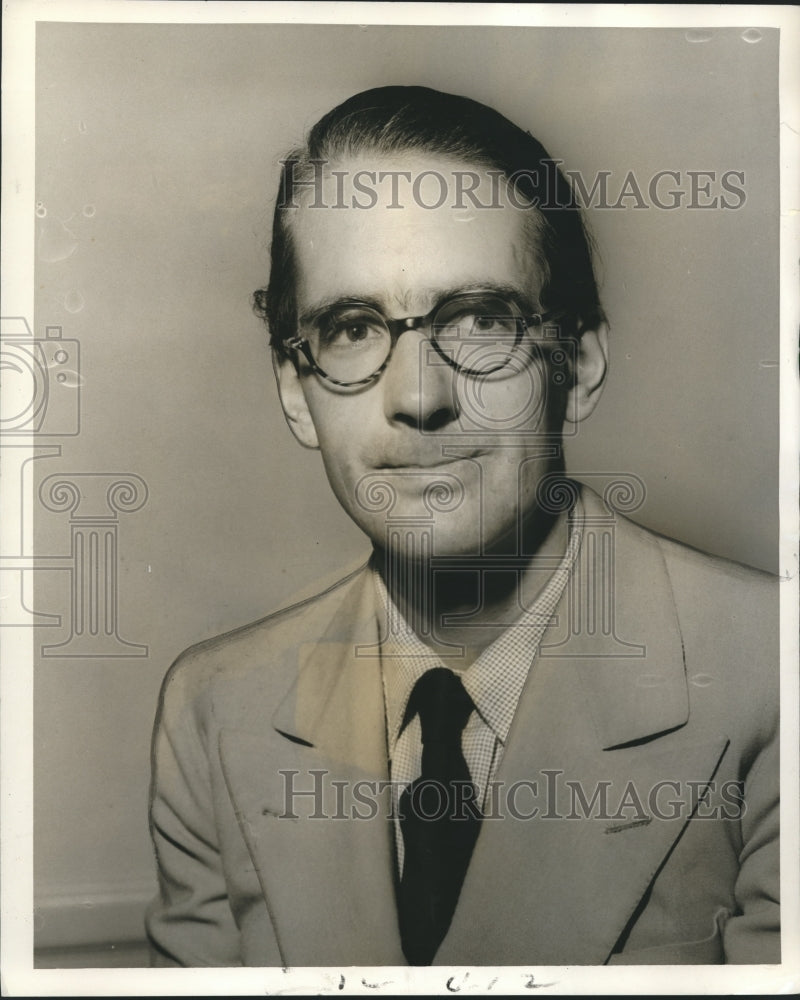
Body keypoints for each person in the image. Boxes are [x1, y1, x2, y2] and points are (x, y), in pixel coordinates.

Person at [146, 86, 779, 967]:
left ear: (579, 363)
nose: (418, 397)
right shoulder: (216, 710)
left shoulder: (771, 674)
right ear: (296, 391)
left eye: (480, 320)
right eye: (352, 327)